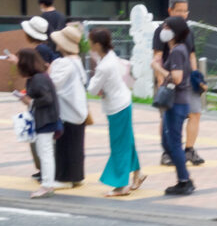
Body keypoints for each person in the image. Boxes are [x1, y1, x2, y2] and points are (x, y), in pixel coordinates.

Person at [89, 27, 146, 196]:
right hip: (123, 102)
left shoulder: (103, 65)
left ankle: (121, 185)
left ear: (98, 44)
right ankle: (137, 173)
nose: (90, 45)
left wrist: (97, 84)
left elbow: (92, 90)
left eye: (91, 42)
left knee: (119, 146)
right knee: (127, 140)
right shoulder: (111, 57)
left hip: (116, 108)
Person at [151, 0, 204, 167]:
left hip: (188, 80)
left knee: (195, 113)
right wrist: (161, 81)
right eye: (178, 11)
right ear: (170, 11)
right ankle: (167, 153)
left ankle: (189, 149)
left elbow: (192, 55)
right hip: (170, 80)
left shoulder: (188, 31)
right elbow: (157, 56)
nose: (182, 14)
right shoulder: (162, 31)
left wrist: (196, 75)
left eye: (184, 11)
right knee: (168, 117)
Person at [16, 48, 61, 199]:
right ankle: (47, 184)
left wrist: (31, 101)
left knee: (45, 152)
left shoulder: (38, 79)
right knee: (45, 152)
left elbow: (46, 99)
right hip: (46, 119)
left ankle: (47, 186)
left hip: (46, 120)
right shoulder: (39, 76)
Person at [159, 16, 197, 196]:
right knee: (168, 142)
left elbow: (177, 78)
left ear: (175, 31)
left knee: (173, 143)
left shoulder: (177, 51)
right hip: (178, 102)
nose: (163, 29)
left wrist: (156, 67)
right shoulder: (180, 49)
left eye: (167, 27)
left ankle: (184, 181)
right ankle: (184, 178)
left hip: (176, 102)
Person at [48, 25, 88, 188]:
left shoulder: (62, 63)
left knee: (65, 145)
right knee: (76, 145)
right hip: (79, 109)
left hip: (67, 110)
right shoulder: (77, 61)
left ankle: (65, 179)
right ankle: (76, 176)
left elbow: (52, 84)